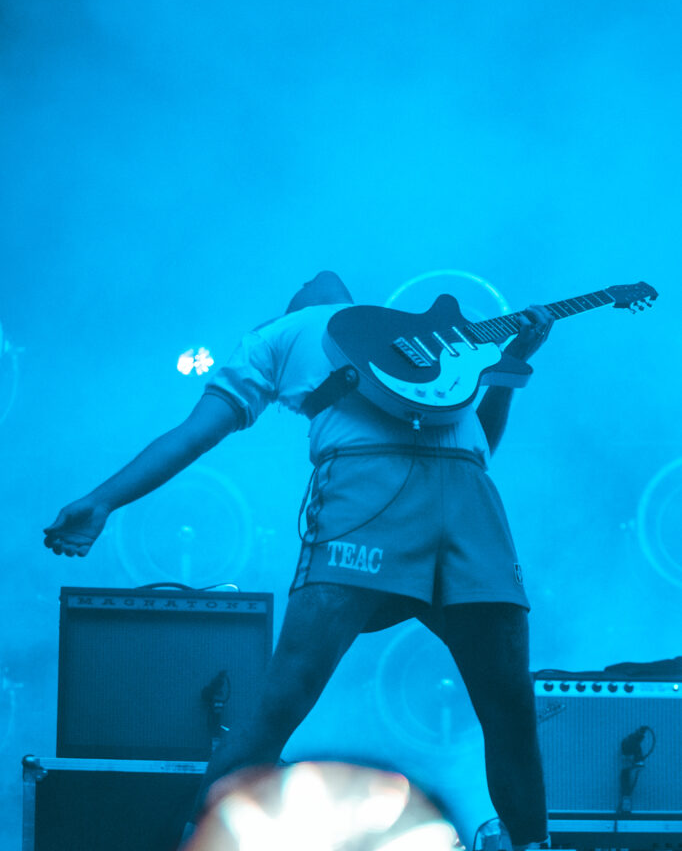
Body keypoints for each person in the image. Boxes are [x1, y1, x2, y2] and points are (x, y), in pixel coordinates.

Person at [44, 270, 554, 851]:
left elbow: (477, 444)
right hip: (385, 491)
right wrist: (104, 499)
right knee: (290, 700)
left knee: (506, 709)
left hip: (458, 491)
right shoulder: (278, 337)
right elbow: (193, 436)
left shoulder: (414, 339)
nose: (321, 277)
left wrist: (509, 371)